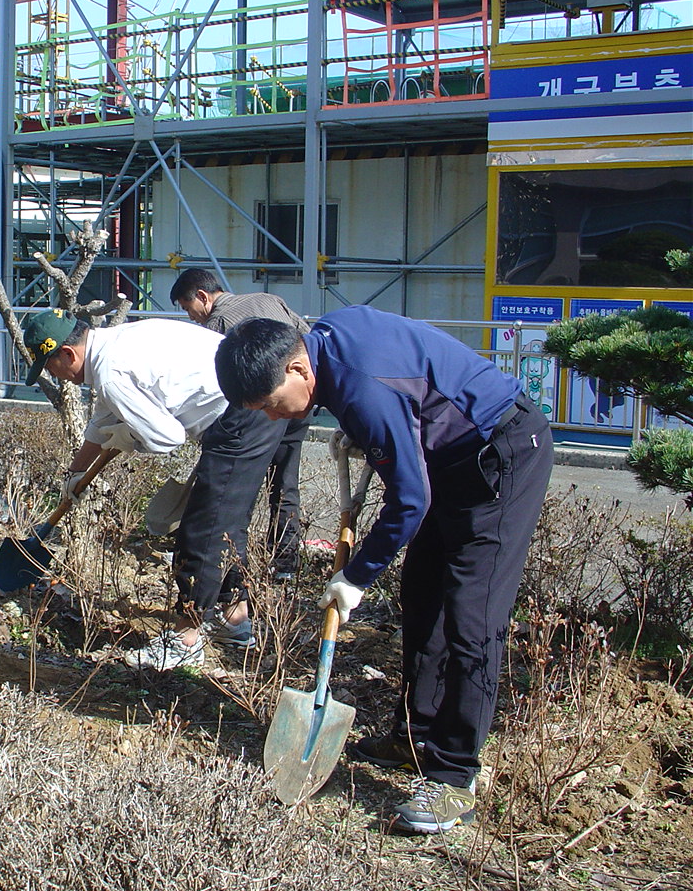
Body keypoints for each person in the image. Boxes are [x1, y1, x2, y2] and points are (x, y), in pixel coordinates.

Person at [213, 306, 553, 834]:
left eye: (272, 405)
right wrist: (376, 434)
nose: (273, 419)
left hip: (500, 452)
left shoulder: (361, 387)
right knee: (422, 596)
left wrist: (355, 577)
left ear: (299, 370)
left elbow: (409, 500)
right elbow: (405, 386)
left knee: (471, 614)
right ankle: (412, 736)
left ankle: (452, 774)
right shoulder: (322, 341)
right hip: (449, 453)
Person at [22, 308, 290, 671]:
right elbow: (102, 421)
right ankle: (234, 619)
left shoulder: (111, 371)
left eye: (51, 367)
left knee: (204, 528)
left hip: (243, 412)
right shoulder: (112, 346)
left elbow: (165, 438)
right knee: (225, 520)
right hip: (249, 404)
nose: (58, 378)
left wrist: (128, 437)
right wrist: (76, 472)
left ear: (68, 354)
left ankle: (185, 639)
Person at [170, 268, 311, 579]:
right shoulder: (269, 299)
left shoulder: (216, 325)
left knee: (238, 490)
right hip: (299, 399)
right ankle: (286, 562)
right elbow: (305, 337)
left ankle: (234, 566)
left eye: (187, 307)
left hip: (261, 411)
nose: (191, 317)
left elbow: (215, 386)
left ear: (202, 297)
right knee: (285, 482)